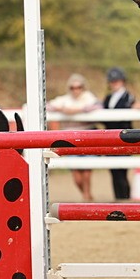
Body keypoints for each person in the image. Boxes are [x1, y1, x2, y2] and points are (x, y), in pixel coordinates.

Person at [46, 73, 99, 201]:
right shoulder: (64, 99)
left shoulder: (88, 97)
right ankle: (86, 194)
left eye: (78, 87)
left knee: (86, 171)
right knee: (76, 175)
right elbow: (48, 105)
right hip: (70, 138)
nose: (76, 90)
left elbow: (96, 106)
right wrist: (62, 109)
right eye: (73, 87)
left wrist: (72, 111)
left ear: (83, 87)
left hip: (87, 137)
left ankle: (86, 195)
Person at [101, 67, 138, 201]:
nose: (114, 83)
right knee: (113, 171)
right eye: (112, 81)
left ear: (122, 81)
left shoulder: (128, 96)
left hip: (123, 137)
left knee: (122, 170)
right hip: (110, 139)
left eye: (116, 80)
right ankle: (118, 198)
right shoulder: (108, 98)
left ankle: (125, 198)